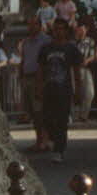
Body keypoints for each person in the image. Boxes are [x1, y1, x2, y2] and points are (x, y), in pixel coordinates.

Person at [37, 18, 83, 164]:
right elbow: (40, 69)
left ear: (66, 30)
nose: (59, 31)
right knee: (47, 119)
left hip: (64, 89)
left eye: (62, 28)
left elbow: (76, 71)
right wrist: (38, 88)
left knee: (62, 121)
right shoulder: (46, 48)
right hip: (49, 88)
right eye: (56, 29)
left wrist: (78, 91)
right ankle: (52, 139)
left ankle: (59, 150)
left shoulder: (71, 48)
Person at [18, 18, 51, 151]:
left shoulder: (46, 41)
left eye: (34, 24)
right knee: (31, 111)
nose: (31, 27)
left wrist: (41, 82)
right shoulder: (26, 42)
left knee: (40, 111)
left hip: (40, 79)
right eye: (29, 24)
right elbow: (24, 58)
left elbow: (46, 62)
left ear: (39, 25)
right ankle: (39, 140)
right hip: (27, 77)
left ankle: (45, 140)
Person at [74, 23, 97, 122]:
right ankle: (75, 115)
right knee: (75, 91)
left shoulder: (90, 41)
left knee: (89, 93)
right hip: (75, 69)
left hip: (86, 68)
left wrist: (87, 60)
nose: (81, 31)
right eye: (79, 29)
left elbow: (93, 54)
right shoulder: (74, 42)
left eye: (83, 29)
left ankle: (84, 115)